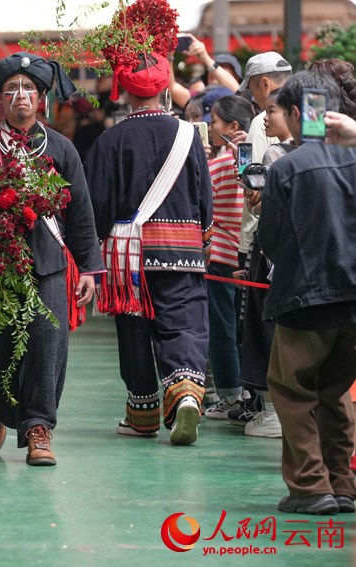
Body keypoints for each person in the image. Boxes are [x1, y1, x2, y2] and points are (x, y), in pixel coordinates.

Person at [0, 51, 104, 466]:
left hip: (49, 262)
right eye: (11, 89)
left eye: (29, 88)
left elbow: (80, 211)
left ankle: (38, 428)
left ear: (42, 97)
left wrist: (89, 269)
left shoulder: (62, 148)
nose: (21, 96)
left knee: (49, 345)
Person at [85, 48, 213, 445]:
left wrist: (93, 250)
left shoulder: (109, 141)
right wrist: (202, 237)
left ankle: (143, 415)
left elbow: (96, 205)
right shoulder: (190, 136)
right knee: (185, 322)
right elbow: (203, 199)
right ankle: (187, 394)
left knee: (134, 327)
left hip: (130, 254)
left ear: (123, 91)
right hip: (183, 248)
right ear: (163, 88)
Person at [257, 71, 356, 515]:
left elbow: (271, 241)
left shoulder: (285, 168)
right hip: (352, 297)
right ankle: (344, 485)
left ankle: (311, 487)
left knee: (293, 390)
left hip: (304, 295)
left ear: (297, 112)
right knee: (336, 393)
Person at [226, 52, 292, 427]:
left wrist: (249, 249)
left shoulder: (265, 129)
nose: (262, 112)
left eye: (253, 87)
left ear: (264, 83)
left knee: (261, 331)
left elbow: (254, 196)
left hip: (266, 252)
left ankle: (263, 408)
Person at [202, 96, 255, 419]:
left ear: (232, 128)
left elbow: (201, 203)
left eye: (214, 122)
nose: (210, 128)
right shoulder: (249, 161)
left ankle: (230, 397)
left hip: (220, 258)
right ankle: (248, 394)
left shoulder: (219, 163)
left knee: (221, 331)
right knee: (242, 329)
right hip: (245, 257)